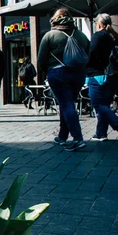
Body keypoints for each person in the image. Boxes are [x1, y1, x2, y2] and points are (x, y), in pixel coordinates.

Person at [37, 8, 90, 151]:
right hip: (78, 74)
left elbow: (41, 60)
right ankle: (62, 136)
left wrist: (46, 72)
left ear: (55, 19)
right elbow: (88, 54)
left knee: (66, 104)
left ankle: (78, 138)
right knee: (67, 104)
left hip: (58, 74)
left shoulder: (50, 35)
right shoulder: (81, 35)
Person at [86, 13, 118, 141]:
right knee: (104, 104)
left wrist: (85, 64)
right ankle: (101, 133)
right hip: (108, 75)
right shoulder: (111, 37)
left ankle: (116, 124)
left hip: (95, 74)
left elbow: (91, 52)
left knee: (97, 104)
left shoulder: (98, 36)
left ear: (99, 24)